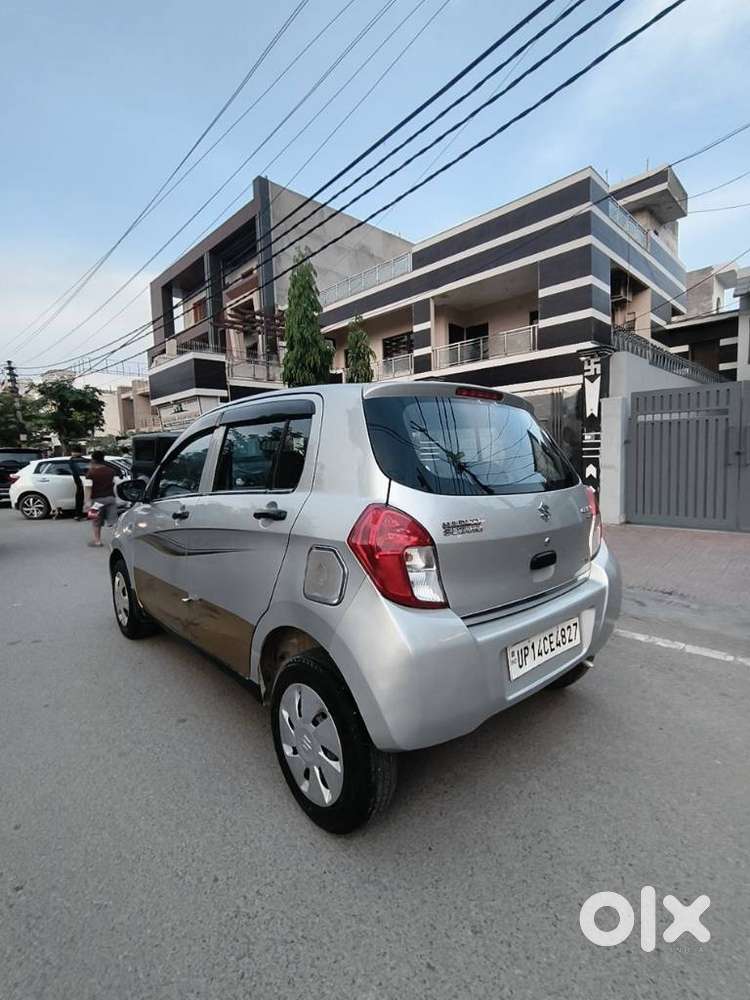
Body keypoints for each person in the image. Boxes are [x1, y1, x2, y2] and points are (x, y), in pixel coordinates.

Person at [86, 451, 118, 548]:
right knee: (113, 522)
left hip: (96, 500)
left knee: (95, 521)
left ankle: (97, 541)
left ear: (93, 460)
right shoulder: (111, 471)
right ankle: (116, 541)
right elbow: (114, 484)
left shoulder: (90, 473)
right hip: (111, 498)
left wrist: (87, 501)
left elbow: (88, 487)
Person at [69, 444, 84, 521]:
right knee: (80, 498)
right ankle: (78, 514)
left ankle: (78, 514)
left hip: (79, 482)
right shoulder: (83, 460)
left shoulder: (72, 460)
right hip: (81, 482)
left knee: (79, 498)